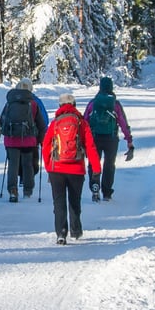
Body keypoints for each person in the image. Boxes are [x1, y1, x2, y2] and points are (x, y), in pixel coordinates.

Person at [42, 92, 101, 244]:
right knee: (75, 200)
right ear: (74, 105)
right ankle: (76, 230)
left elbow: (46, 146)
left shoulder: (55, 123)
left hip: (57, 169)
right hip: (76, 169)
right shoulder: (82, 123)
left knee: (59, 202)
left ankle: (61, 233)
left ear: (59, 106)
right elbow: (90, 146)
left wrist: (49, 166)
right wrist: (96, 168)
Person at [83, 76, 134, 202]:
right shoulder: (115, 104)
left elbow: (84, 121)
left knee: (94, 163)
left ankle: (95, 188)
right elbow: (123, 122)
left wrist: (83, 140)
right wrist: (129, 140)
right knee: (109, 164)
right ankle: (107, 192)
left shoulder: (93, 103)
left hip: (95, 138)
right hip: (111, 139)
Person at [0, 78, 47, 202]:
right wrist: (40, 139)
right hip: (28, 140)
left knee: (13, 165)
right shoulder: (33, 104)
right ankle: (27, 190)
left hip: (11, 140)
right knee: (27, 164)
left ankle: (12, 191)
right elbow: (41, 124)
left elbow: (2, 121)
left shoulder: (9, 103)